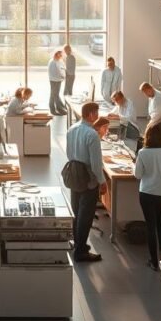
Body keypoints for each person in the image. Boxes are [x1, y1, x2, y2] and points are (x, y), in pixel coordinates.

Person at [65, 102, 107, 262]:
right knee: (86, 214)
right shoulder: (92, 134)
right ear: (90, 114)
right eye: (96, 113)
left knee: (75, 211)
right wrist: (102, 181)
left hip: (74, 173)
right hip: (88, 178)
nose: (97, 116)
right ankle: (81, 250)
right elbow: (96, 164)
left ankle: (77, 242)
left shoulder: (71, 129)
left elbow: (69, 152)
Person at [134, 126, 161, 272]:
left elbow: (138, 175)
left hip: (147, 193)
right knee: (160, 223)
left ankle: (154, 262)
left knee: (150, 226)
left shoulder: (143, 153)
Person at [48, 51, 67, 116]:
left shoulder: (57, 61)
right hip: (55, 81)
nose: (61, 56)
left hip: (55, 80)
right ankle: (60, 110)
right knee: (55, 95)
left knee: (54, 95)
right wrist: (64, 76)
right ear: (56, 55)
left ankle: (60, 109)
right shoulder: (54, 62)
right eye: (60, 55)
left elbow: (63, 68)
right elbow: (59, 72)